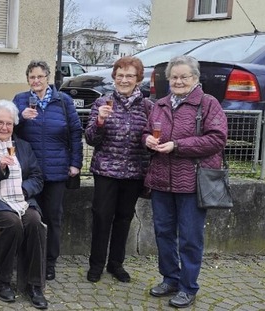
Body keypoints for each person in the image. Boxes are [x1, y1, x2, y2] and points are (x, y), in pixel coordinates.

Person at [143, 55, 227, 308]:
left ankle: (188, 287)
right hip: (161, 181)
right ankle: (170, 278)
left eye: (184, 77)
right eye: (174, 77)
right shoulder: (160, 104)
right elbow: (147, 131)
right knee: (163, 234)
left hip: (192, 183)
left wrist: (177, 146)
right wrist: (146, 140)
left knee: (190, 238)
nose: (178, 81)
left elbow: (217, 139)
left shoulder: (208, 104)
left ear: (195, 78)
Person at [0, 100, 48, 309]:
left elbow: (37, 177)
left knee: (34, 222)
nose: (4, 128)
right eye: (0, 123)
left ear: (14, 125)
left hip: (21, 199)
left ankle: (34, 285)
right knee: (13, 224)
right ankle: (2, 280)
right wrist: (0, 167)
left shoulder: (23, 146)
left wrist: (23, 191)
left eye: (9, 123)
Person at [84, 56, 153, 283]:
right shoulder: (102, 102)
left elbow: (151, 138)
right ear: (114, 78)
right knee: (102, 218)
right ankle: (96, 265)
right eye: (120, 75)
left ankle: (116, 264)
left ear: (138, 79)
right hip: (106, 171)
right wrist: (101, 122)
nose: (124, 80)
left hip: (134, 172)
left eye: (129, 75)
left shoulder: (147, 106)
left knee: (124, 219)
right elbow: (91, 139)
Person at [12, 60, 83, 281]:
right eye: (32, 77)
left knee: (53, 218)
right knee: (28, 217)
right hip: (29, 172)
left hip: (56, 170)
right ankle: (26, 257)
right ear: (27, 80)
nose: (36, 81)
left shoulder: (63, 101)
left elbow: (75, 133)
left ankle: (49, 261)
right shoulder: (20, 100)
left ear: (48, 77)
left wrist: (75, 163)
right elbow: (7, 129)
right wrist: (20, 120)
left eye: (40, 77)